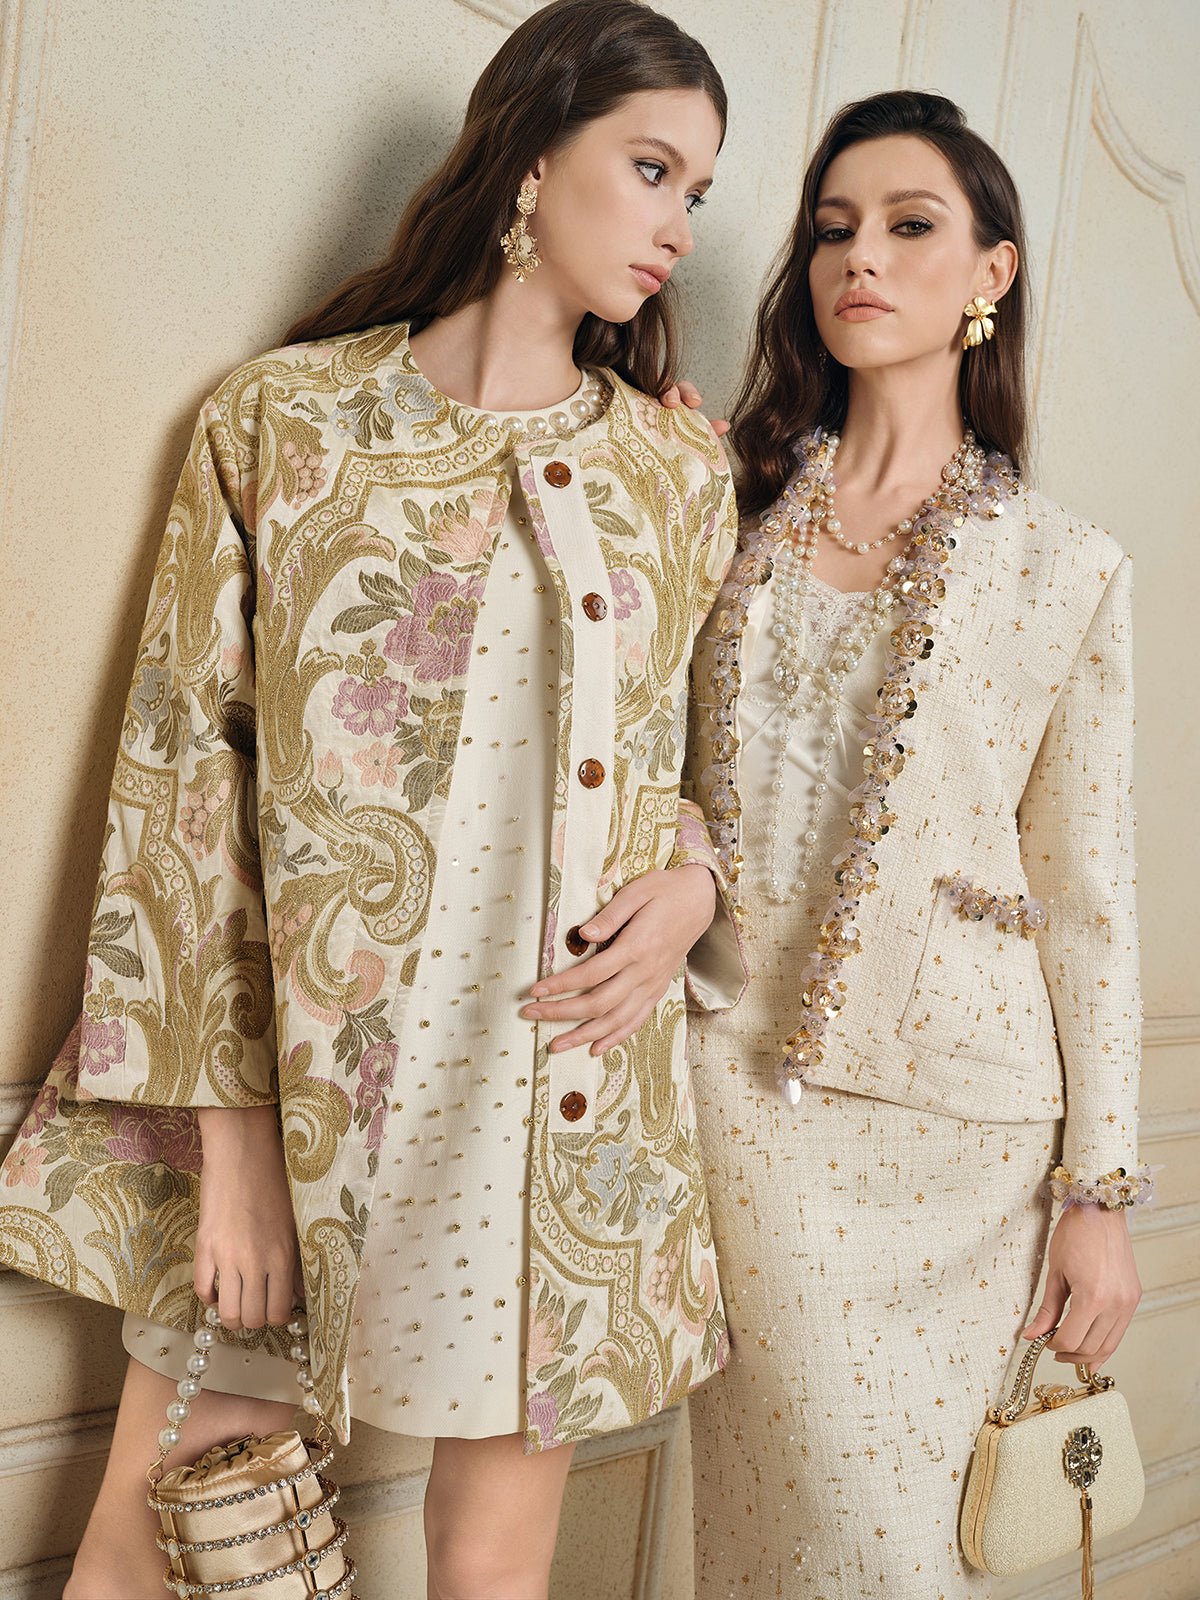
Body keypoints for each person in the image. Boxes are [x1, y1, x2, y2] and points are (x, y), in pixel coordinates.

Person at [0, 4, 745, 1596]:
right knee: (160, 1536)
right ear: (533, 155)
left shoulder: (678, 477)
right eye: (653, 168)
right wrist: (236, 1140)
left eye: (700, 190)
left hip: (557, 1103)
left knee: (492, 1568)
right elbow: (179, 787)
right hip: (309, 1089)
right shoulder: (285, 424)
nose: (683, 225)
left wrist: (693, 889)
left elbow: (699, 771)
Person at [679, 90, 1148, 1597]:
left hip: (972, 1140)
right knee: (798, 1549)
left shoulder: (1067, 568)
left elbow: (1090, 898)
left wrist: (1100, 1197)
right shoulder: (723, 504)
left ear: (990, 275)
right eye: (832, 230)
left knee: (915, 1561)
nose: (858, 259)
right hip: (742, 1108)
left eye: (907, 226)